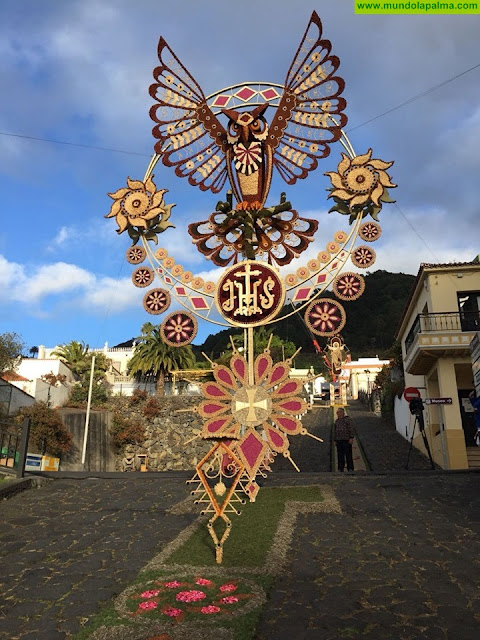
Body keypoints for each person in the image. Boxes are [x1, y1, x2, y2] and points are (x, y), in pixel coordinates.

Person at [334, 407, 356, 472]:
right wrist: (334, 440)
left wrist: (351, 437)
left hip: (346, 439)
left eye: (339, 412)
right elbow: (335, 431)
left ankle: (350, 468)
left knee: (348, 454)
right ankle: (341, 468)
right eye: (337, 413)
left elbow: (351, 429)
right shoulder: (337, 421)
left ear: (343, 413)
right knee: (340, 455)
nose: (338, 414)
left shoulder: (347, 420)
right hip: (339, 440)